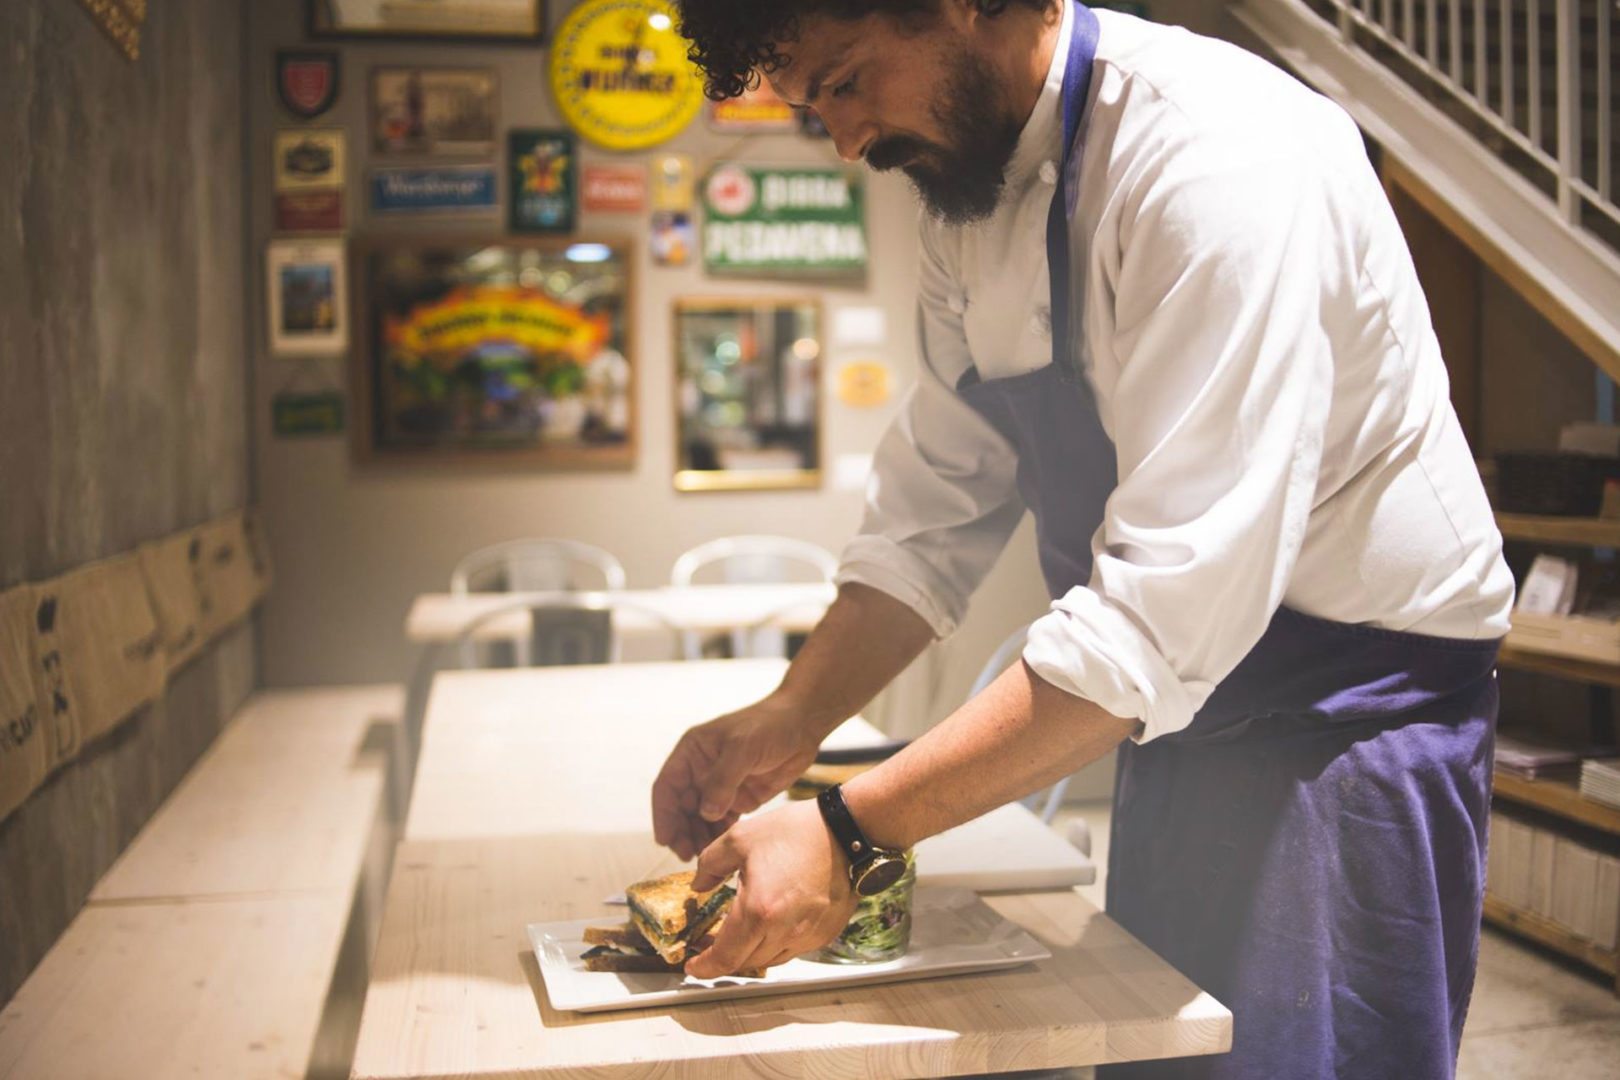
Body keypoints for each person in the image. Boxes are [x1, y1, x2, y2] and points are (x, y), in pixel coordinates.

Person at [651, 2, 1514, 1076]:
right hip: (1168, 720)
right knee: (1165, 1053)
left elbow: (1166, 609)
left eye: (846, 81)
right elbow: (934, 513)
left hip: (1344, 727)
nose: (844, 139)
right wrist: (791, 717)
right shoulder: (969, 199)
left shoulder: (1214, 154)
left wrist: (852, 832)